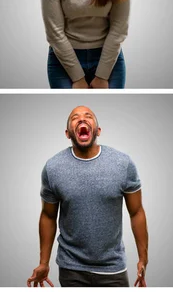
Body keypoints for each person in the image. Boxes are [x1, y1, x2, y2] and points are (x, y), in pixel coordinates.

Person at [27, 105, 148, 287]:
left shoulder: (122, 164)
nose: (82, 119)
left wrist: (143, 258)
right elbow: (48, 216)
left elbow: (136, 212)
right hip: (71, 269)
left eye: (88, 116)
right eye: (75, 117)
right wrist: (44, 262)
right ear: (68, 133)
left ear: (98, 130)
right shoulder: (53, 168)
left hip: (113, 269)